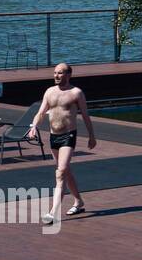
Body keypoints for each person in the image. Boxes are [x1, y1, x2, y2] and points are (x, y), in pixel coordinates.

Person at [27, 62, 97, 224]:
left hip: (68, 136)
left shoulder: (76, 93)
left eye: (60, 73)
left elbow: (86, 116)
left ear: (68, 75)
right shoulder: (49, 92)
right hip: (54, 137)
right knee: (65, 171)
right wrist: (33, 126)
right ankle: (78, 202)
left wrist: (91, 136)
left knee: (61, 172)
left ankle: (53, 212)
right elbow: (40, 112)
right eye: (55, 73)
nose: (56, 76)